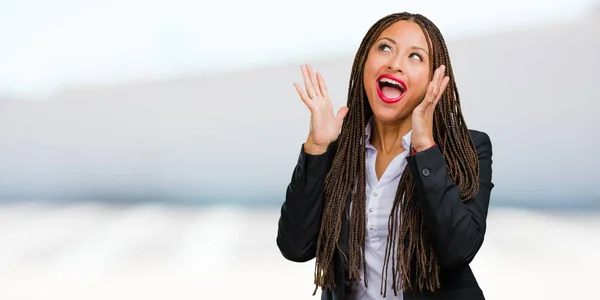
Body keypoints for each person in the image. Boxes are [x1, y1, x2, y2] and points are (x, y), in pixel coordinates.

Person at [276, 12, 494, 300]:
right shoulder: (339, 151)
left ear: (433, 80)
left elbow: (458, 250)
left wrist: (425, 148)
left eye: (415, 56)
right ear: (364, 62)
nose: (395, 63)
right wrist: (317, 147)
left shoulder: (467, 148)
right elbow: (295, 246)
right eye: (385, 48)